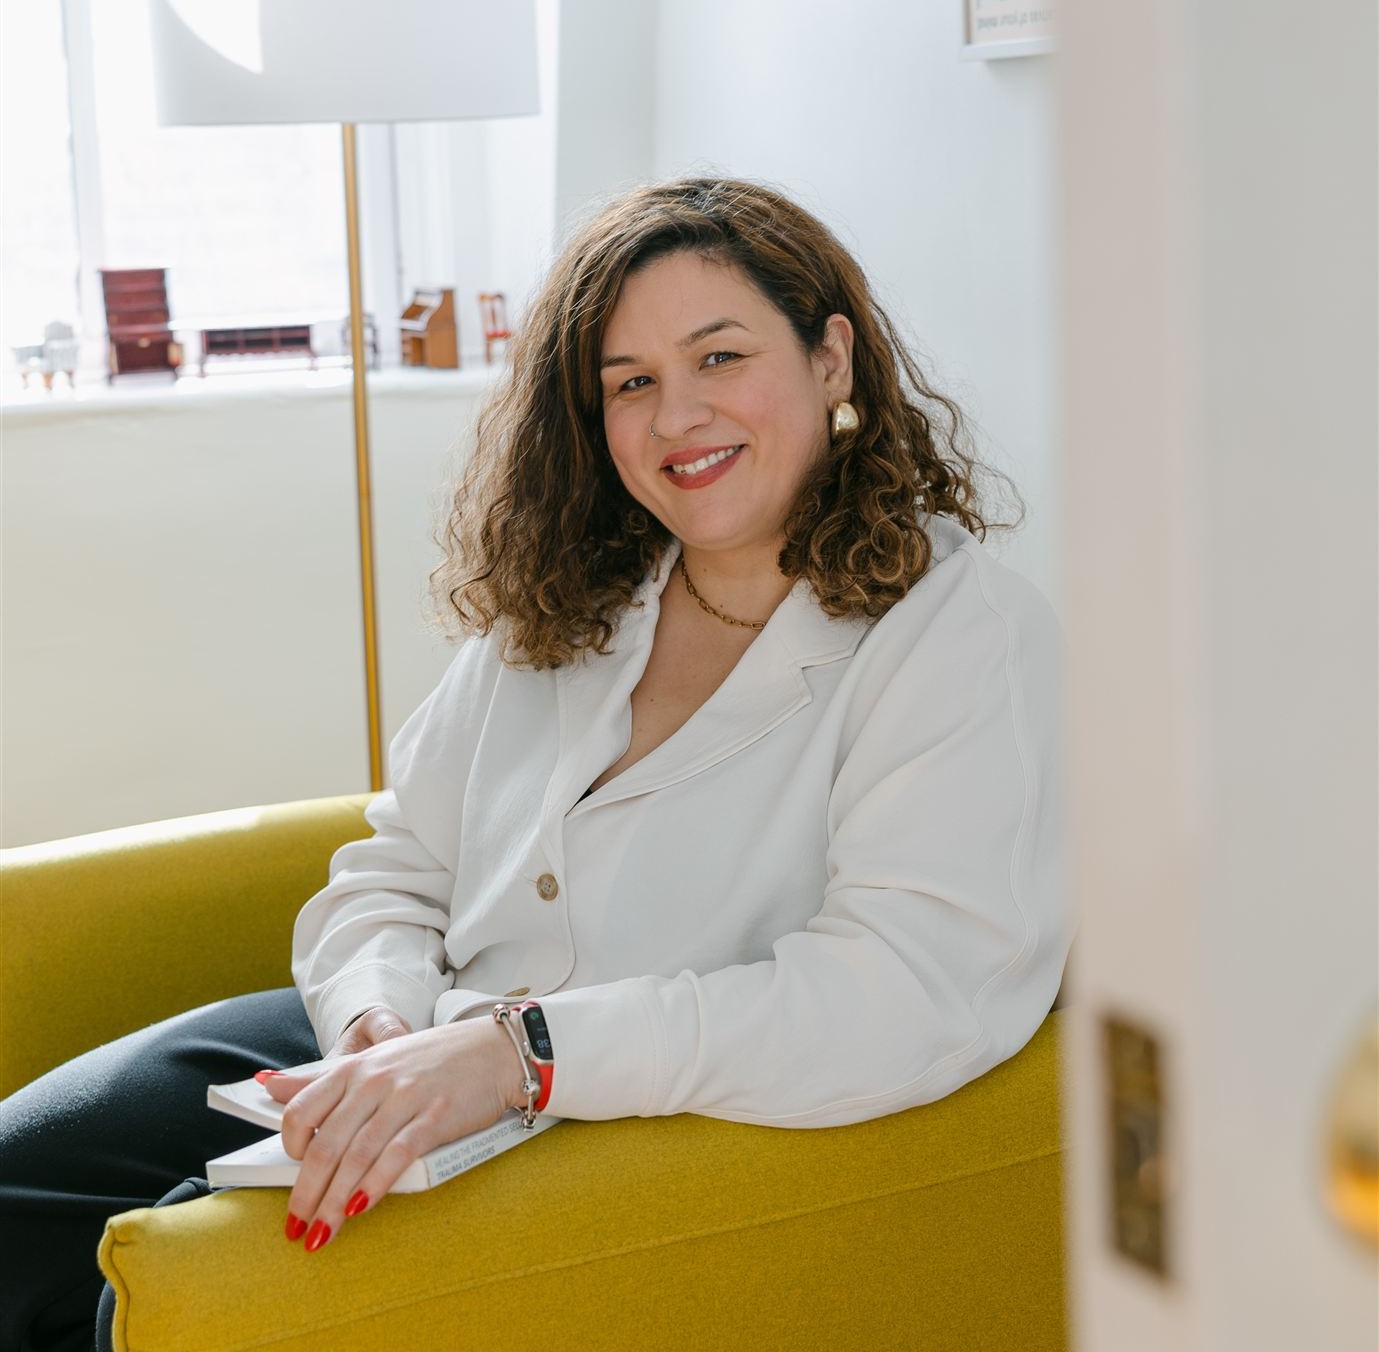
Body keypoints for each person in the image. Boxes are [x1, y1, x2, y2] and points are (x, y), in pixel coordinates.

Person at [0, 176, 1069, 1347]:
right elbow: (395, 868)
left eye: (718, 357)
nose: (675, 416)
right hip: (412, 1037)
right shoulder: (578, 593)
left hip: (605, 1109)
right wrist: (373, 1019)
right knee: (16, 1186)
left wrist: (520, 1053)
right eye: (629, 382)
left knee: (151, 1283)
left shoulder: (957, 636)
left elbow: (902, 993)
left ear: (830, 359)